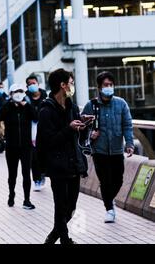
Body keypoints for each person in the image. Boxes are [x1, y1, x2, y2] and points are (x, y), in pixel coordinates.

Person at [37, 69, 88, 245]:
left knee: (71, 206)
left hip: (74, 162)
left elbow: (76, 133)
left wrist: (83, 123)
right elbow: (48, 140)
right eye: (71, 82)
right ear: (62, 85)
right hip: (57, 165)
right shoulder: (46, 110)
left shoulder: (72, 107)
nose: (72, 86)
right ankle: (64, 240)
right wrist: (69, 128)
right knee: (61, 206)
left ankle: (52, 237)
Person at [82, 71, 134, 223]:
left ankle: (109, 201)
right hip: (99, 150)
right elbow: (82, 127)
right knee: (104, 180)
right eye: (106, 85)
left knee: (118, 179)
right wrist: (90, 134)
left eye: (111, 85)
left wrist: (129, 143)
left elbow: (127, 125)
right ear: (99, 87)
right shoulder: (91, 105)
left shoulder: (121, 103)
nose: (109, 87)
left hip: (117, 149)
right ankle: (109, 209)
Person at [0, 84, 37, 210]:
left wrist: (27, 105)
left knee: (26, 174)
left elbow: (36, 117)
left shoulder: (27, 107)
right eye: (16, 91)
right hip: (11, 147)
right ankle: (11, 195)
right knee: (12, 174)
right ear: (11, 94)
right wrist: (9, 104)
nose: (18, 93)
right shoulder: (8, 107)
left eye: (20, 91)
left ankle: (27, 200)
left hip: (26, 146)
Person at [26, 75, 48, 191]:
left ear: (38, 83)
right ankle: (37, 179)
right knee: (33, 157)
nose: (32, 85)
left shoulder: (46, 96)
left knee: (44, 155)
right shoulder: (25, 98)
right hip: (30, 131)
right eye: (29, 84)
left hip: (44, 129)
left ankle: (43, 174)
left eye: (33, 83)